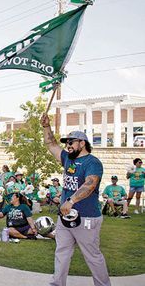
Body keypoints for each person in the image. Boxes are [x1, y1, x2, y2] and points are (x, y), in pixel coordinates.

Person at [42, 114, 111, 286]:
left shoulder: (92, 163)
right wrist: (45, 127)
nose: (68, 146)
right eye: (67, 143)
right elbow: (51, 144)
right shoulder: (67, 159)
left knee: (92, 256)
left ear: (82, 143)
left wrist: (70, 200)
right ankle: (57, 283)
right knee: (62, 252)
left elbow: (90, 185)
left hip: (87, 218)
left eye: (71, 142)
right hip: (65, 217)